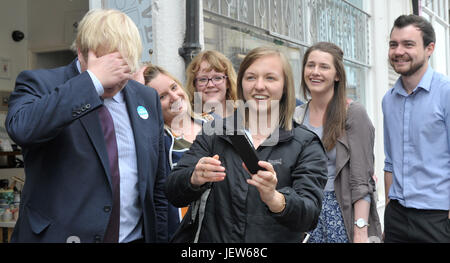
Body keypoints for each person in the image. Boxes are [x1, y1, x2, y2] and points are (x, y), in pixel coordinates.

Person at [5, 9, 168, 243]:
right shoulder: (40, 83)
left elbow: (156, 187)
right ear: (80, 52)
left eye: (123, 67)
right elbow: (22, 128)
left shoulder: (146, 98)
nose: (113, 79)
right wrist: (91, 82)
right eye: (106, 65)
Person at [166, 46, 328, 242]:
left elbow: (309, 216)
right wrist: (194, 177)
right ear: (241, 83)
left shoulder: (305, 144)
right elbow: (173, 192)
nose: (259, 86)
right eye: (251, 77)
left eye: (270, 78)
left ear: (285, 86)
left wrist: (275, 199)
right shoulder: (215, 132)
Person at [294, 42, 382, 243]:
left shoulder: (353, 113)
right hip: (305, 213)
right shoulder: (297, 115)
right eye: (310, 65)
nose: (315, 72)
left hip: (340, 212)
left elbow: (362, 180)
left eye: (324, 66)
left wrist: (360, 231)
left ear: (337, 75)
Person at [383, 14, 450, 243]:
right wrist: (389, 211)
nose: (398, 51)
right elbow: (390, 161)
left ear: (429, 48)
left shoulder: (446, 94)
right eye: (394, 44)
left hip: (438, 218)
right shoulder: (388, 100)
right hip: (397, 217)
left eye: (408, 44)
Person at [135, 63, 213, 239]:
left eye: (174, 87)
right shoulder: (158, 141)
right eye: (162, 96)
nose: (174, 96)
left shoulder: (211, 124)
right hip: (185, 233)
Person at [185, 50, 238, 118]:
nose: (210, 85)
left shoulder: (246, 118)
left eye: (217, 78)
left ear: (228, 83)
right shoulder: (189, 122)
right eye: (203, 79)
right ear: (194, 85)